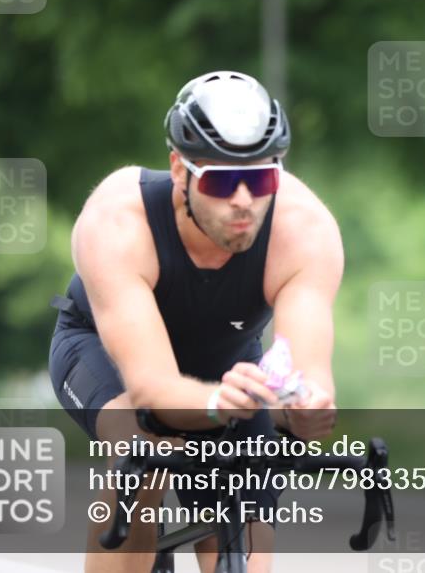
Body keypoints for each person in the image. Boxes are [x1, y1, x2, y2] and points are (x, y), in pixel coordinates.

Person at [48, 71, 342, 573]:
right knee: (141, 454)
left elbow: (309, 376)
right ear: (179, 171)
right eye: (224, 180)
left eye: (263, 178)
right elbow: (152, 390)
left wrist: (306, 410)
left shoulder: (304, 230)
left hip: (229, 366)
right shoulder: (118, 220)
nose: (245, 200)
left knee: (246, 519)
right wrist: (212, 404)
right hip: (105, 355)